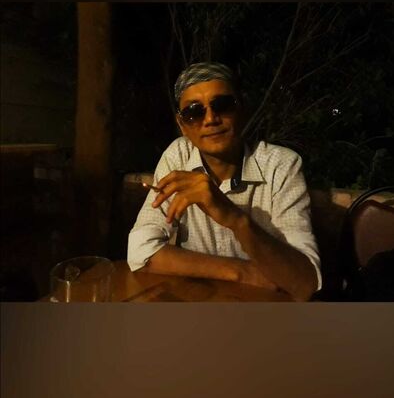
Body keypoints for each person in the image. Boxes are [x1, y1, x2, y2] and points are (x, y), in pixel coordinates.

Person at [127, 62, 321, 301]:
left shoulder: (280, 165)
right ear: (182, 125)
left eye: (222, 105)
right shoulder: (178, 157)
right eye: (194, 112)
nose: (210, 119)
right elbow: (140, 250)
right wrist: (241, 272)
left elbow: (305, 283)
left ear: (242, 110)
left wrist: (236, 220)